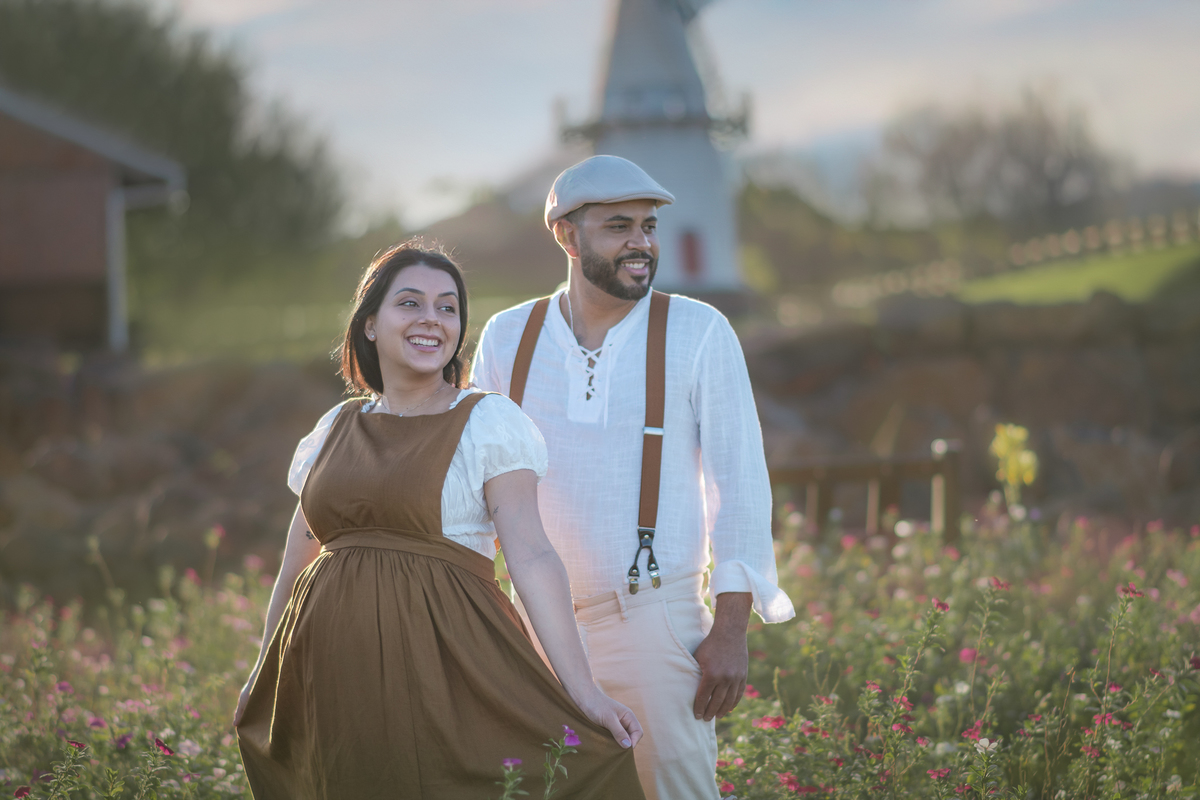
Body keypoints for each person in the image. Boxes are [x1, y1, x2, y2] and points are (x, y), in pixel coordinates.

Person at [234, 241, 646, 800]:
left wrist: (584, 689)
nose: (432, 319)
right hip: (327, 680)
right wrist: (265, 670)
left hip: (444, 671)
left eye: (447, 307)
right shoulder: (333, 428)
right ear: (371, 324)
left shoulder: (487, 422)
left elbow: (531, 555)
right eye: (410, 303)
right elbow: (294, 566)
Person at [471, 155, 797, 800]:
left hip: (654, 619)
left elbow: (741, 485)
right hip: (536, 633)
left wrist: (730, 629)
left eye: (648, 227)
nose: (641, 243)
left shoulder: (700, 330)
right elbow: (474, 491)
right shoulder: (508, 337)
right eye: (619, 227)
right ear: (567, 235)